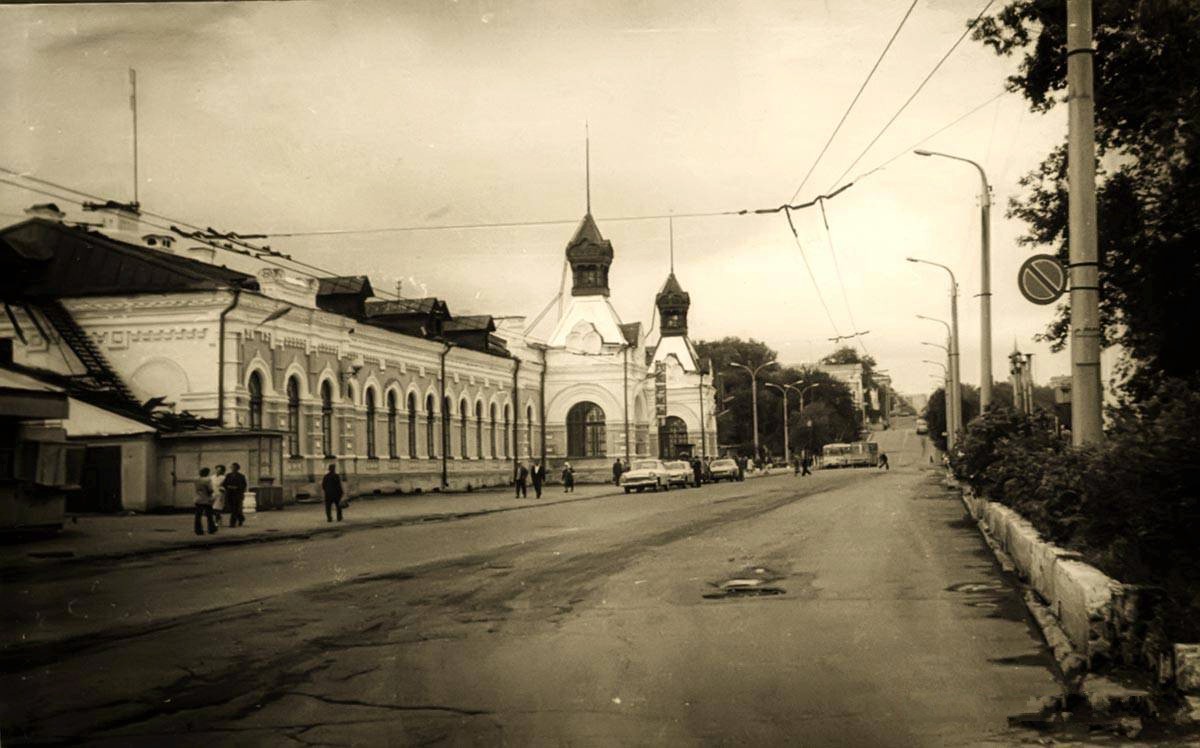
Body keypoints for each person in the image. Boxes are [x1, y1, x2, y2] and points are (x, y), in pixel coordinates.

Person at [222, 462, 248, 527]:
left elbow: (244, 485)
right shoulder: (228, 475)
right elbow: (224, 484)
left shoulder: (241, 476)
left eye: (234, 467)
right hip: (229, 494)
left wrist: (237, 488)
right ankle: (241, 518)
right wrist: (228, 487)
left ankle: (232, 523)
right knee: (232, 508)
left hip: (237, 494)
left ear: (237, 468)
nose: (232, 469)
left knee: (235, 509)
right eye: (232, 467)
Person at [194, 467, 218, 535]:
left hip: (198, 498)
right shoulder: (207, 480)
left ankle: (198, 530)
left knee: (198, 516)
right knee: (209, 515)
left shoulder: (196, 479)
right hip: (206, 500)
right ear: (207, 473)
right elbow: (210, 490)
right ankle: (211, 529)